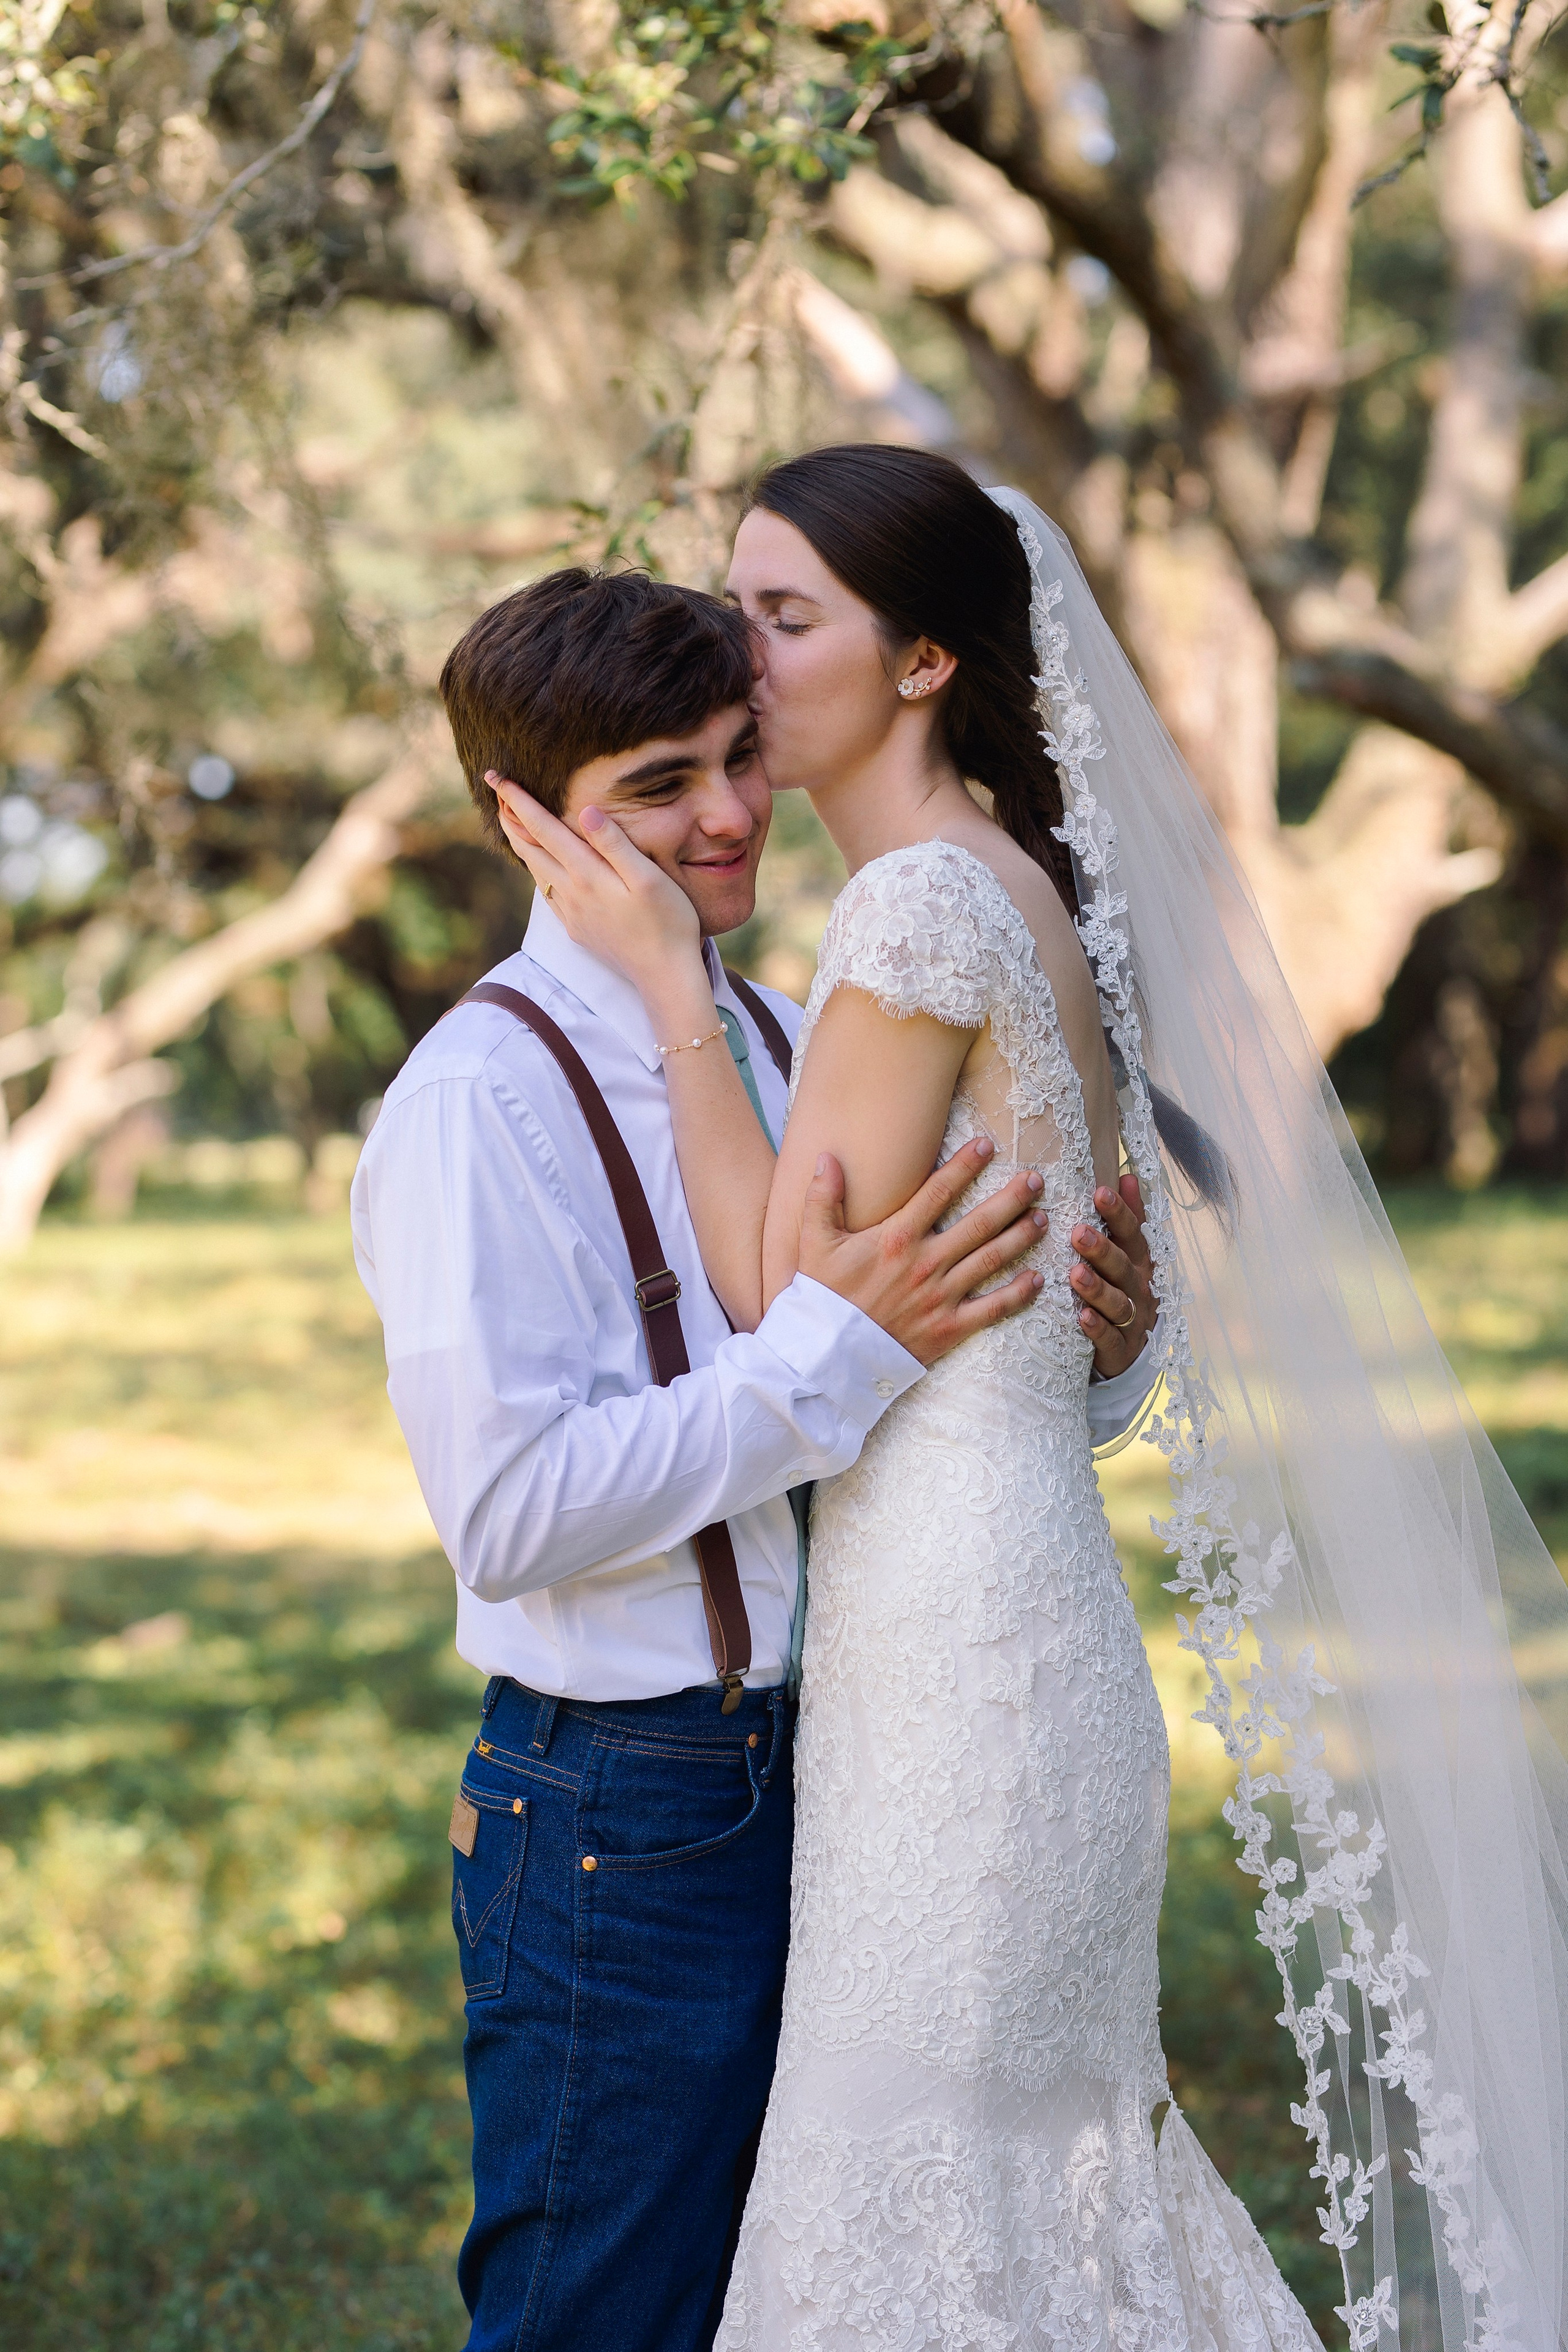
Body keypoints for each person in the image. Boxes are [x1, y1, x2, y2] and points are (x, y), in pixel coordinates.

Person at [494, 447, 1568, 2352]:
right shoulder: (1011, 884)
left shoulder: (911, 909)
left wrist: (665, 976)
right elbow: (1035, 1335)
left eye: (786, 614)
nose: (736, 654)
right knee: (1024, 2183)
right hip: (997, 1626)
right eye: (736, 599)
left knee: (932, 2181)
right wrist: (1119, 1325)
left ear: (921, 663)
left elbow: (773, 1299)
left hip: (959, 1670)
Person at [349, 565, 1163, 2352]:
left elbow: (961, 1378)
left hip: (869, 1775)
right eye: (656, 785)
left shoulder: (802, 1035)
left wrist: (1091, 1342)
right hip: (624, 1811)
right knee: (604, 2313)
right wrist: (833, 1352)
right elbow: (510, 1514)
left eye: (738, 757)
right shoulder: (475, 1106)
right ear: (523, 815)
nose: (725, 818)